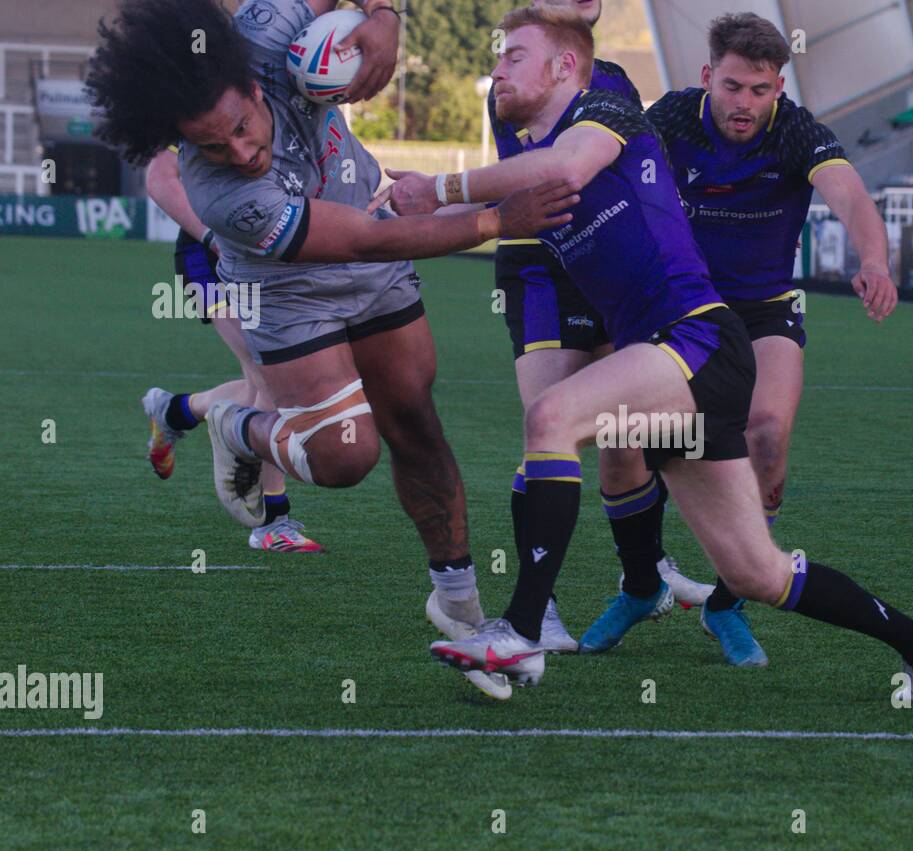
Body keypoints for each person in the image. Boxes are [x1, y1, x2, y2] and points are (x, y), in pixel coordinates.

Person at [374, 6, 913, 701]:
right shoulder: (536, 160)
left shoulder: (607, 113)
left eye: (514, 54)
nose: (498, 66)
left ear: (565, 66)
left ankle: (520, 632)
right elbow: (476, 217)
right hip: (681, 368)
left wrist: (441, 185)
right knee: (757, 571)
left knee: (551, 418)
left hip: (697, 339)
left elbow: (564, 164)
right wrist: (384, 217)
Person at [87, 0, 577, 700]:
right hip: (291, 292)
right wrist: (496, 219)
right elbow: (359, 239)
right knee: (347, 456)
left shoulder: (261, 33)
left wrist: (382, 20)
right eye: (213, 146)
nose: (242, 153)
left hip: (370, 250)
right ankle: (236, 425)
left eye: (240, 129)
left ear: (255, 87)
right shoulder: (223, 193)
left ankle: (463, 609)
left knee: (415, 421)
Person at [582, 12, 901, 660]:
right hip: (676, 307)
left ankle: (728, 601)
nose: (745, 103)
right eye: (732, 87)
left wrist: (873, 260)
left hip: (761, 310)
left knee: (767, 436)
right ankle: (642, 585)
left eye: (760, 90)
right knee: (619, 440)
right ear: (708, 77)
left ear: (778, 87)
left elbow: (851, 196)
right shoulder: (671, 118)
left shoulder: (793, 130)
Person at [477, 0, 714, 655]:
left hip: (604, 259)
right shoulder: (518, 81)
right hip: (541, 263)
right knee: (549, 426)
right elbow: (558, 167)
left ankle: (645, 575)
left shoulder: (612, 78)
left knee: (625, 434)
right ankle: (538, 606)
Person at [142, 147, 322, 552]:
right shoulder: (214, 106)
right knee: (276, 380)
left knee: (263, 382)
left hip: (266, 260)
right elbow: (159, 173)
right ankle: (272, 521)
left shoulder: (294, 117)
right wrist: (211, 237)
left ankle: (174, 410)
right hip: (209, 259)